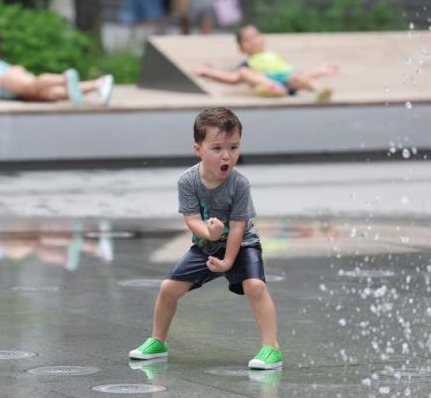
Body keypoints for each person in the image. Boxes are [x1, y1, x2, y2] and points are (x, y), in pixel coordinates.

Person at [129, 107, 283, 370]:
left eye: (234, 147)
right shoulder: (188, 181)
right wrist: (208, 233)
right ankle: (158, 341)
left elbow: (237, 227)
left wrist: (228, 261)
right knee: (168, 288)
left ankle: (272, 348)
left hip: (242, 244)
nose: (227, 155)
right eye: (217, 148)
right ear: (198, 149)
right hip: (206, 246)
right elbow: (191, 219)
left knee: (256, 287)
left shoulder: (239, 184)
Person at [0, 25, 114, 105]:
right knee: (51, 95)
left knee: (34, 83)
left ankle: (65, 78)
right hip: (10, 85)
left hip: (8, 78)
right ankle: (98, 84)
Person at [193, 24, 338, 98]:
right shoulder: (248, 63)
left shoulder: (274, 56)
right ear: (241, 48)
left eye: (256, 36)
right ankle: (273, 88)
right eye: (248, 40)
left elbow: (300, 73)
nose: (254, 41)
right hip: (268, 81)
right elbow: (232, 78)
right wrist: (208, 72)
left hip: (287, 79)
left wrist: (321, 71)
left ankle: (318, 90)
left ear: (263, 39)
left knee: (299, 77)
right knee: (244, 72)